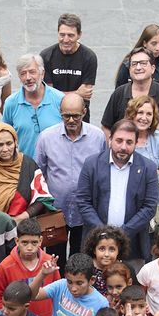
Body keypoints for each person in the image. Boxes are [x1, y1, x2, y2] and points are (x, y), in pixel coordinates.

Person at [34, 93, 107, 259]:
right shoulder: (46, 138)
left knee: (81, 258)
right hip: (55, 211)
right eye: (66, 116)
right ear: (60, 113)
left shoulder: (97, 137)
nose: (71, 120)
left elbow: (103, 173)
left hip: (86, 212)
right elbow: (39, 174)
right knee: (54, 259)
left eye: (76, 116)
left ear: (84, 112)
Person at [75, 119, 159, 261]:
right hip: (96, 244)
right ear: (110, 139)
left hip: (133, 245)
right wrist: (103, 232)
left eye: (129, 142)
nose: (123, 147)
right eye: (119, 141)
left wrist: (122, 234)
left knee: (130, 281)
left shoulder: (148, 168)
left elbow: (150, 207)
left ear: (136, 143)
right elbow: (83, 201)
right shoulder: (92, 164)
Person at [0, 218, 60, 316]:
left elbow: (57, 292)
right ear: (17, 241)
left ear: (41, 240)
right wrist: (10, 315)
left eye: (34, 242)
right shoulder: (5, 266)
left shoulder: (50, 264)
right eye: (24, 242)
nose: (29, 247)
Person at [1, 53, 64, 158]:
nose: (28, 78)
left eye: (32, 72)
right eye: (23, 74)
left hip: (54, 167)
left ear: (42, 73)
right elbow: (4, 137)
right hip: (23, 168)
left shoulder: (59, 99)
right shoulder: (11, 103)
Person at [39, 13, 97, 121]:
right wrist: (77, 93)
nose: (65, 40)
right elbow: (48, 94)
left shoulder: (89, 57)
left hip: (79, 115)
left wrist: (59, 93)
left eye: (70, 35)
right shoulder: (46, 56)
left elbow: (86, 94)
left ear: (79, 35)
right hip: (53, 113)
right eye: (62, 35)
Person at [126, 95, 159, 224]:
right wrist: (152, 172)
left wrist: (136, 174)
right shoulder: (123, 137)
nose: (144, 118)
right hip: (128, 201)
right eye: (140, 112)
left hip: (155, 202)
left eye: (149, 114)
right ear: (132, 114)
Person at [100, 47, 159, 135]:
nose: (138, 67)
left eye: (143, 63)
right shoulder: (119, 93)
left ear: (153, 68)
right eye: (134, 64)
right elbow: (106, 127)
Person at [84, 225, 130, 297]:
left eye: (112, 249)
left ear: (118, 251)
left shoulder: (126, 269)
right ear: (94, 250)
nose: (106, 254)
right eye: (102, 249)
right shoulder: (86, 269)